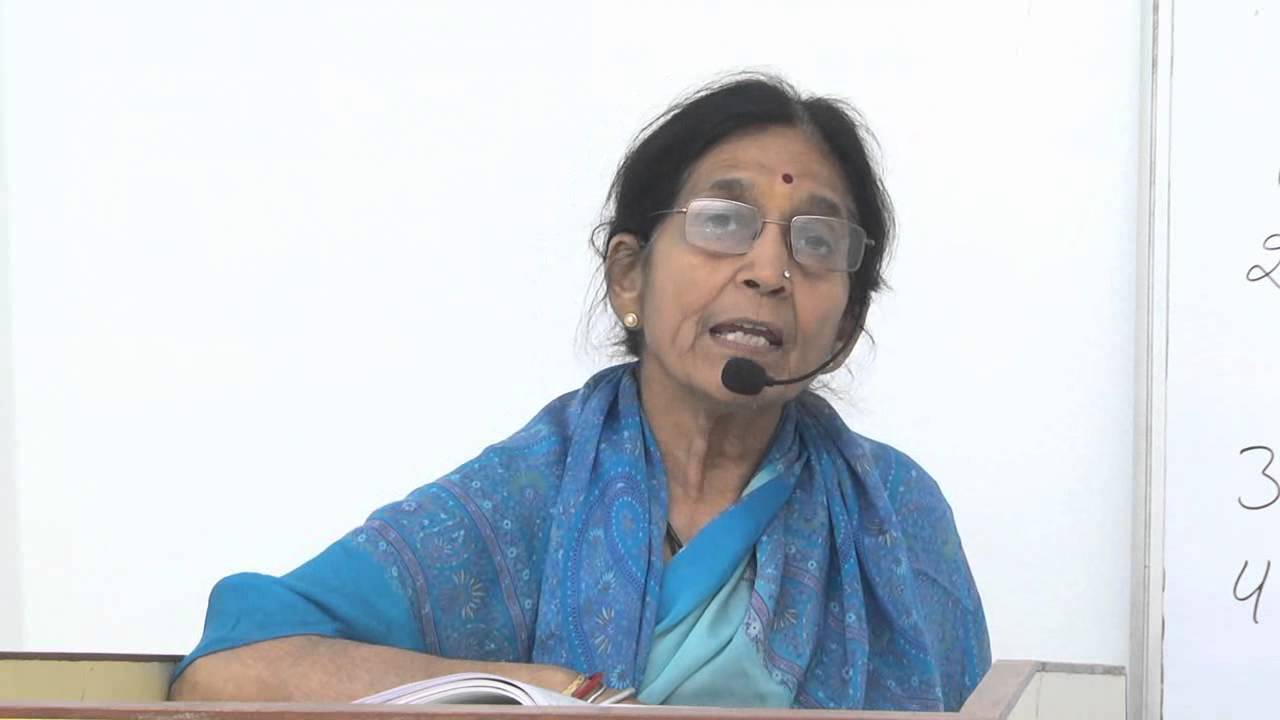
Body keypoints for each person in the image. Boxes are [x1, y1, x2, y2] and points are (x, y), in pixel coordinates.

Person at [169, 72, 991, 711]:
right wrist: (539, 694)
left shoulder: (894, 515)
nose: (770, 270)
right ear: (630, 275)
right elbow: (230, 671)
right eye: (722, 221)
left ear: (844, 325)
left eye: (817, 242)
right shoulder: (533, 494)